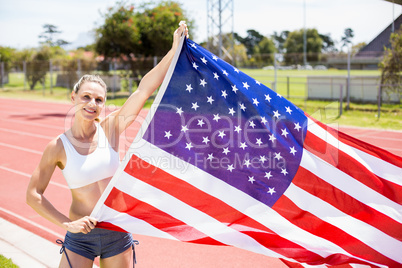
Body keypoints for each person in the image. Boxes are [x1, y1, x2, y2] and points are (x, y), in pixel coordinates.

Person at [26, 23, 188, 268]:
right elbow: (33, 195)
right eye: (86, 97)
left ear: (103, 104)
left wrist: (174, 49)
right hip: (80, 237)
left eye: (99, 99)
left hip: (117, 232)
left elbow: (144, 89)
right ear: (74, 97)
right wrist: (66, 224)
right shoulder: (58, 147)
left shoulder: (110, 129)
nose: (92, 103)